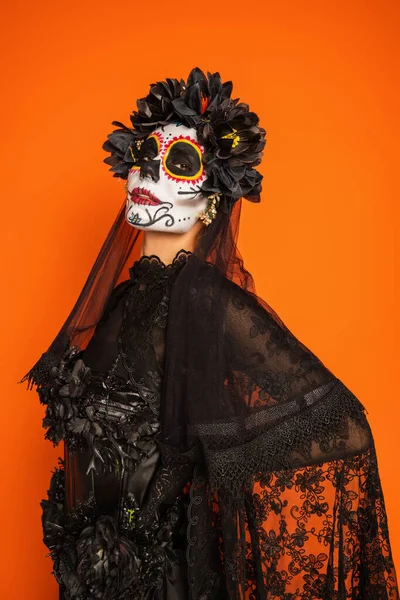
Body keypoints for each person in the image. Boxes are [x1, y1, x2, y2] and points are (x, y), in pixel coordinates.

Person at [22, 67, 398, 600]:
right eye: (143, 159)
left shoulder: (205, 300)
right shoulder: (127, 298)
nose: (150, 175)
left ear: (214, 200)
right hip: (89, 575)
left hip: (157, 577)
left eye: (177, 163)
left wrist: (199, 469)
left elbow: (344, 426)